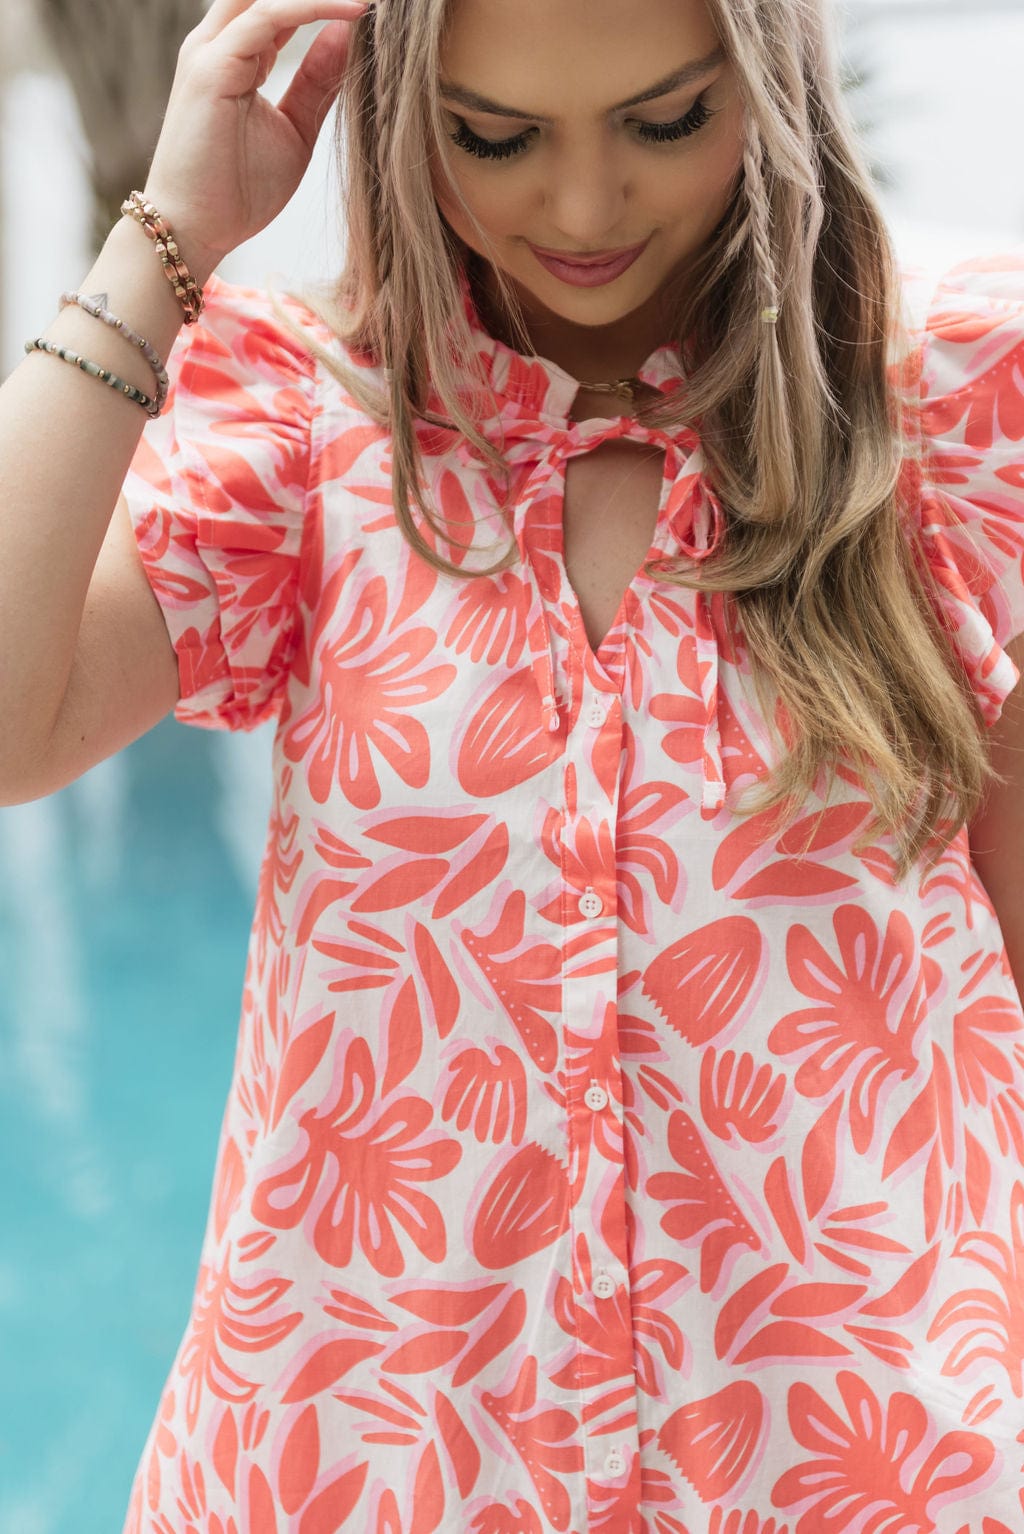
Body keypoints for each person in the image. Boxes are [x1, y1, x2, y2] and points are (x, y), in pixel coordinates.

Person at [2, 0, 1024, 1524]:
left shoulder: (950, 402)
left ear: (767, 79)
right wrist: (164, 244)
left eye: (666, 121)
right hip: (371, 1472)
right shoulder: (306, 431)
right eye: (496, 138)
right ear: (407, 116)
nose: (586, 206)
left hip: (856, 1473)